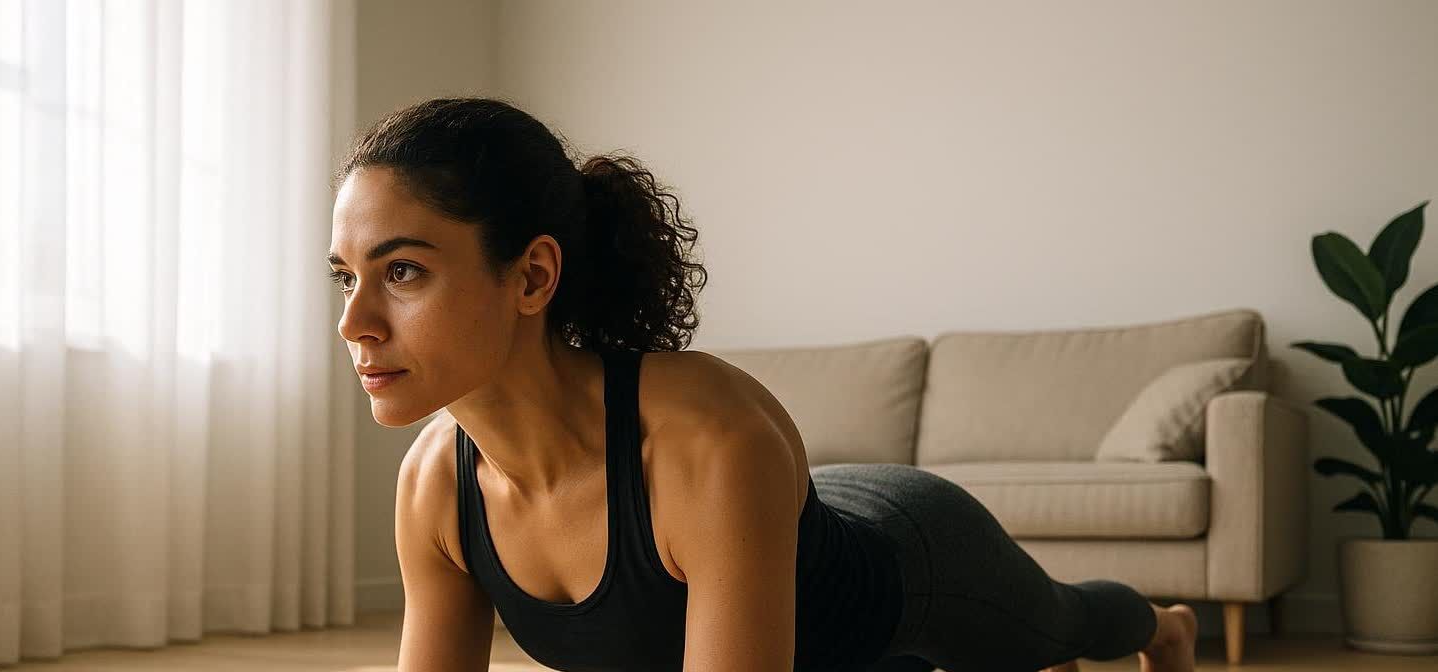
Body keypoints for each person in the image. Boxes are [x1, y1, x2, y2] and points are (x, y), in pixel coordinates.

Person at [326, 97, 1198, 672]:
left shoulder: (704, 436)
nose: (354, 322)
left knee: (1066, 625)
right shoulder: (435, 485)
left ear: (531, 278)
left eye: (401, 272)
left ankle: (1166, 627)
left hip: (915, 554)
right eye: (346, 277)